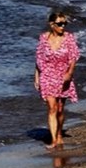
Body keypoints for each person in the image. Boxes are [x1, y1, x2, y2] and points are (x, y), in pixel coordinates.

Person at [34, 8, 80, 147]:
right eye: (60, 24)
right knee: (52, 108)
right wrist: (37, 77)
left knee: (60, 108)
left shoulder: (69, 38)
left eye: (64, 23)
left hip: (63, 75)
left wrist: (69, 73)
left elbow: (73, 57)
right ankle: (54, 140)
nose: (62, 26)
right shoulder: (44, 38)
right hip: (47, 75)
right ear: (52, 24)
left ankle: (59, 134)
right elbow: (39, 59)